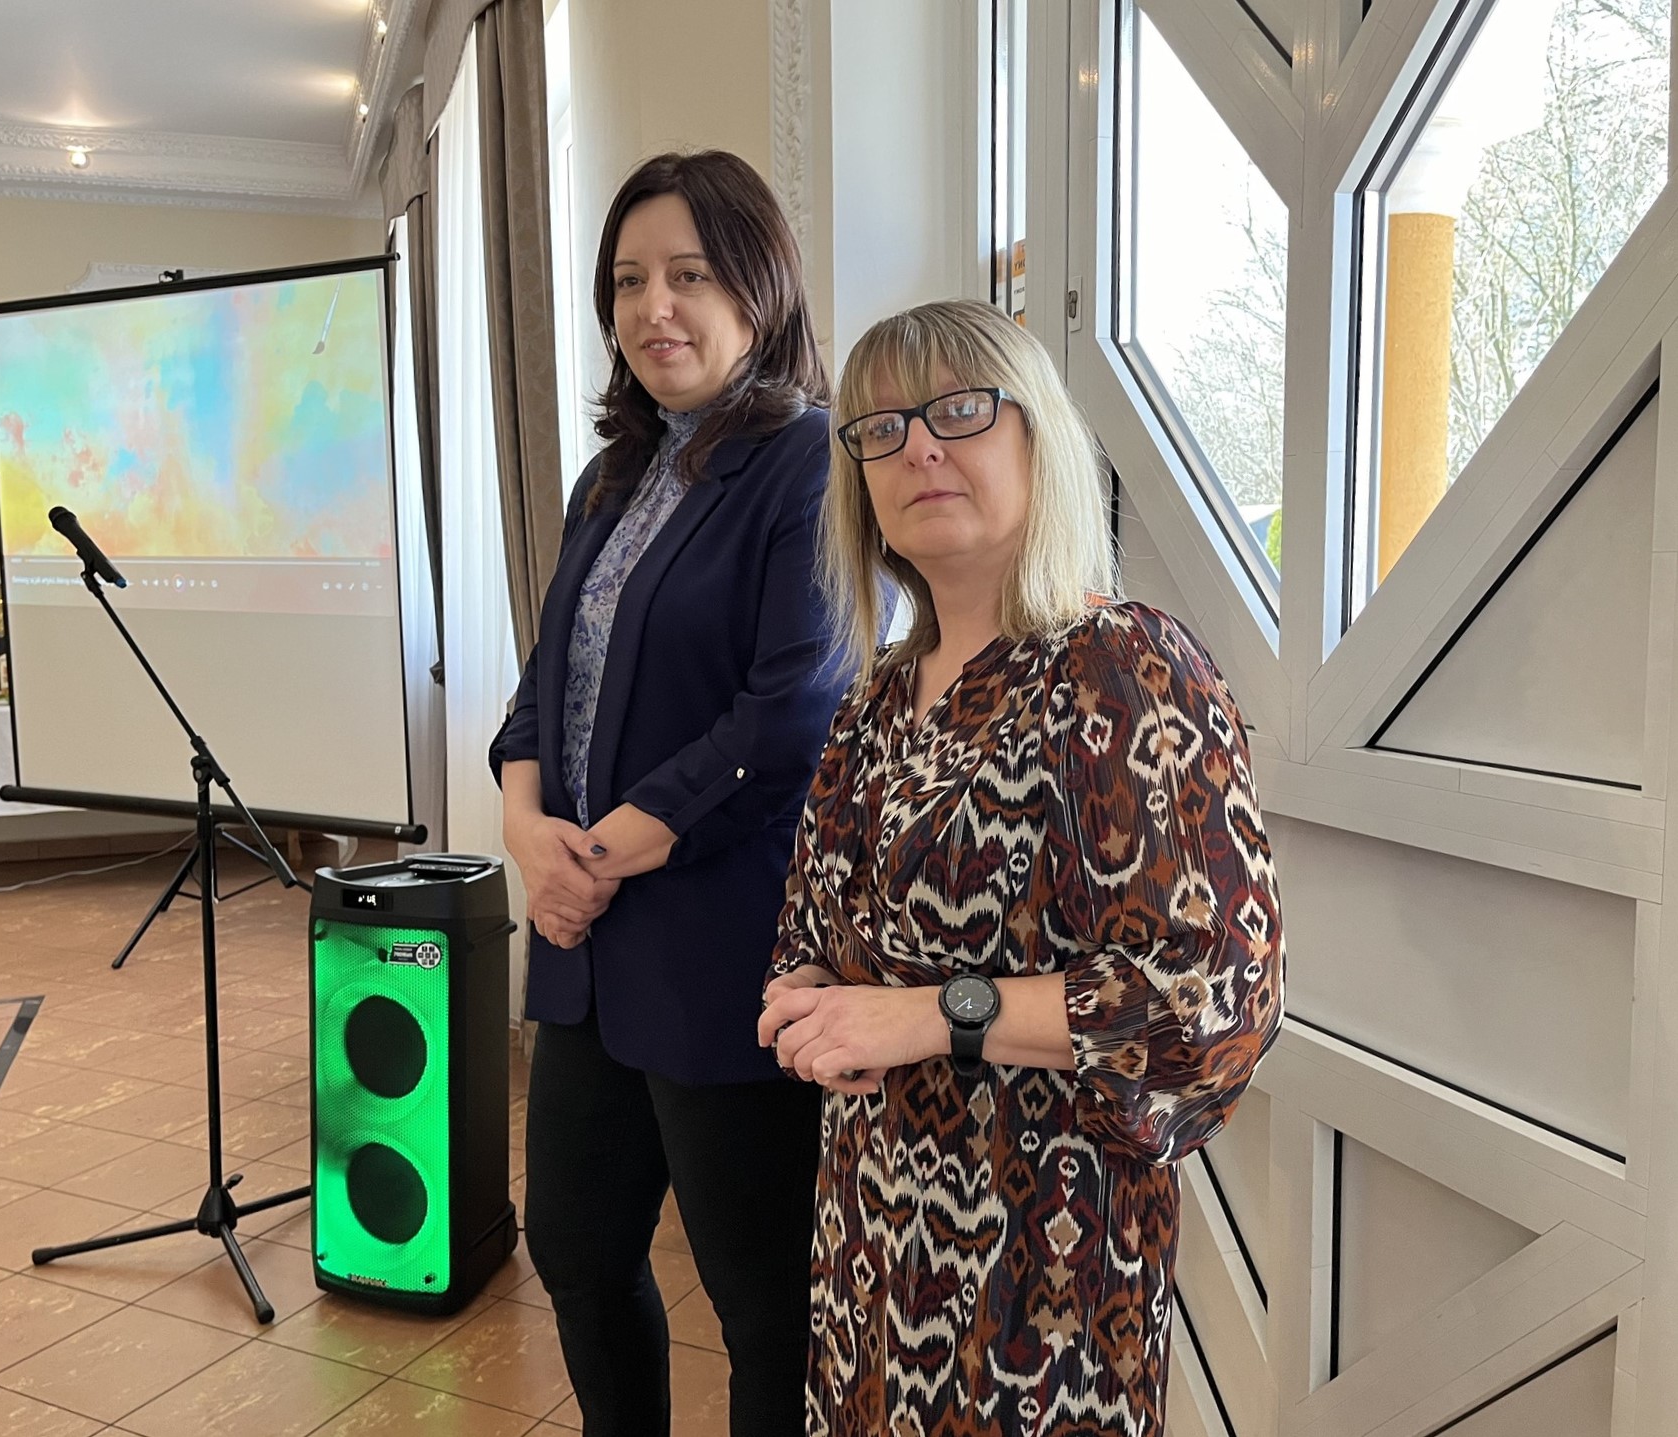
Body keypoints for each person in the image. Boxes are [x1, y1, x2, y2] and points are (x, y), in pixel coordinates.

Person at [758, 299, 1284, 1434]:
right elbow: (814, 926)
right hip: (869, 1244)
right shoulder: (874, 700)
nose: (918, 448)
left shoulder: (1121, 666)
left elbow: (1211, 1000)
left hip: (1041, 1278)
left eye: (958, 410)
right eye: (881, 429)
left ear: (1038, 438)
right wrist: (801, 996)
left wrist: (925, 1017)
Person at [489, 150, 844, 1436]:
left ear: (760, 287)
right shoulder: (611, 477)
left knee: (760, 1303)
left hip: (718, 944)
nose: (654, 309)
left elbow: (789, 709)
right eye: (629, 281)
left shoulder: (809, 462)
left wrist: (594, 859)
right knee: (575, 1249)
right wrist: (527, 834)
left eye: (689, 275)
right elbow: (543, 684)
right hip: (584, 945)